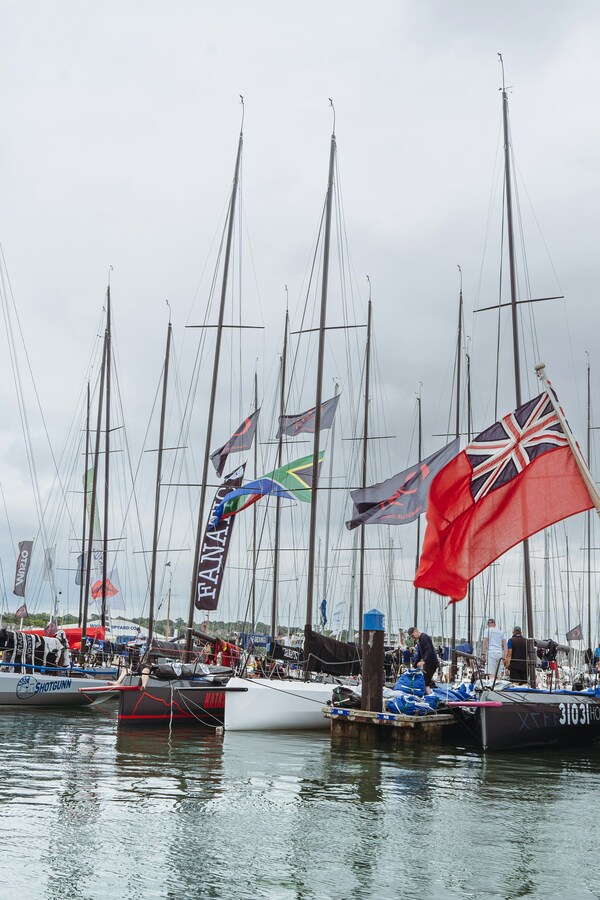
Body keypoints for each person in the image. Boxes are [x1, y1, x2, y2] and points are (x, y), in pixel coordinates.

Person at [407, 626, 438, 694]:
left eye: (412, 636)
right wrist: (414, 666)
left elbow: (429, 650)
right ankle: (428, 695)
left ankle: (430, 697)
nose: (413, 638)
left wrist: (424, 661)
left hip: (432, 663)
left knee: (426, 683)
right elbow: (419, 655)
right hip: (428, 663)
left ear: (415, 632)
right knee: (424, 682)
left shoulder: (424, 637)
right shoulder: (419, 641)